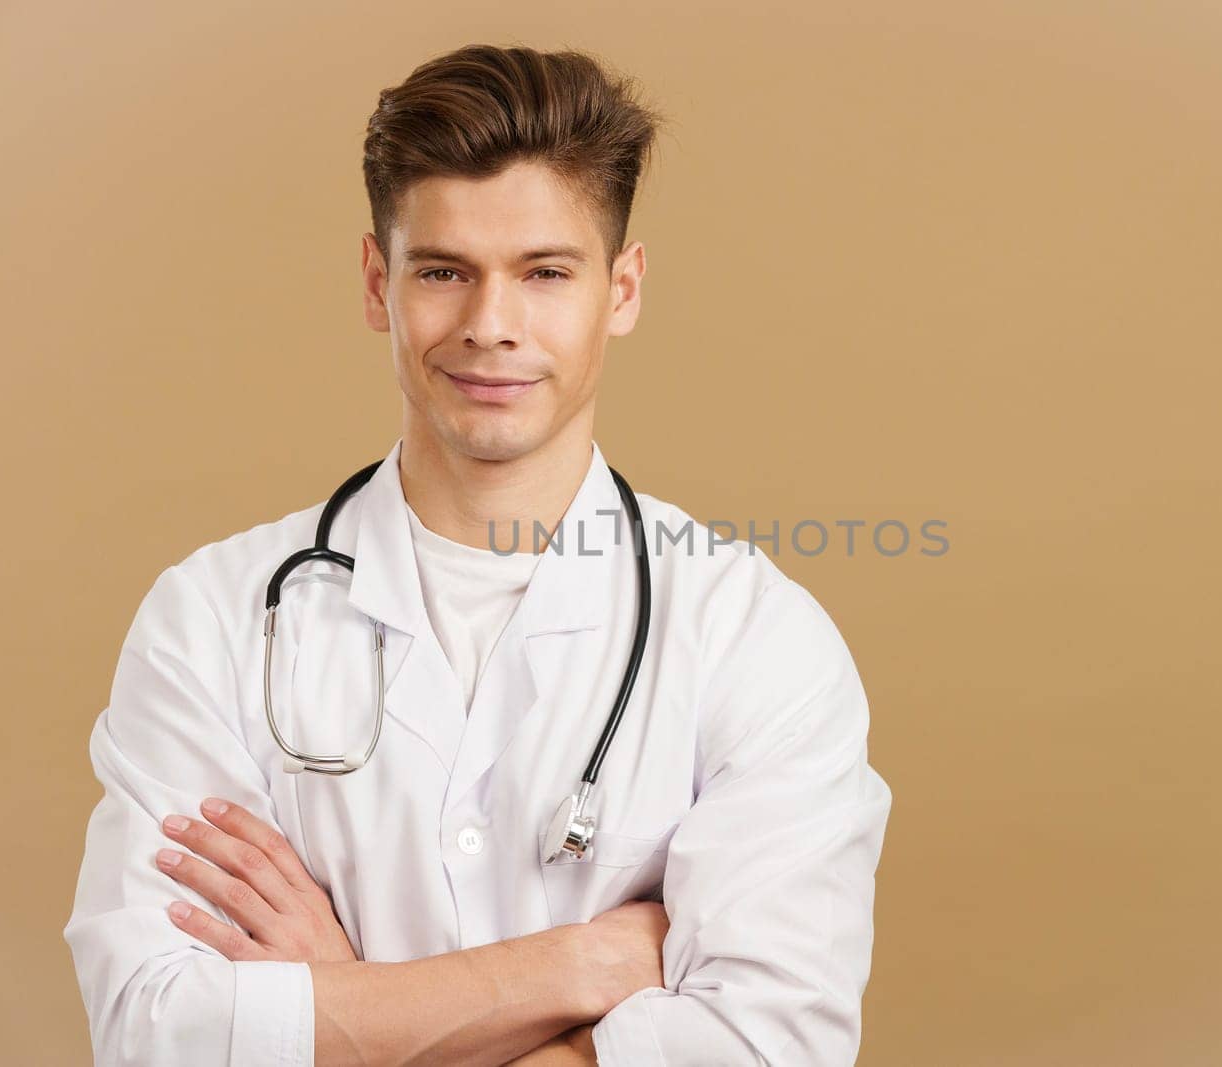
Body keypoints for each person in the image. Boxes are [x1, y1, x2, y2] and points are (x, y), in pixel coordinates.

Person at [63, 43, 892, 1066]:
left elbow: (767, 1049)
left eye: (545, 272)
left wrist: (341, 1003)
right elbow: (152, 1032)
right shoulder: (214, 619)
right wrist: (576, 966)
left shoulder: (753, 639)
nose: (490, 326)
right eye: (445, 271)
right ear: (378, 282)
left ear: (621, 291)